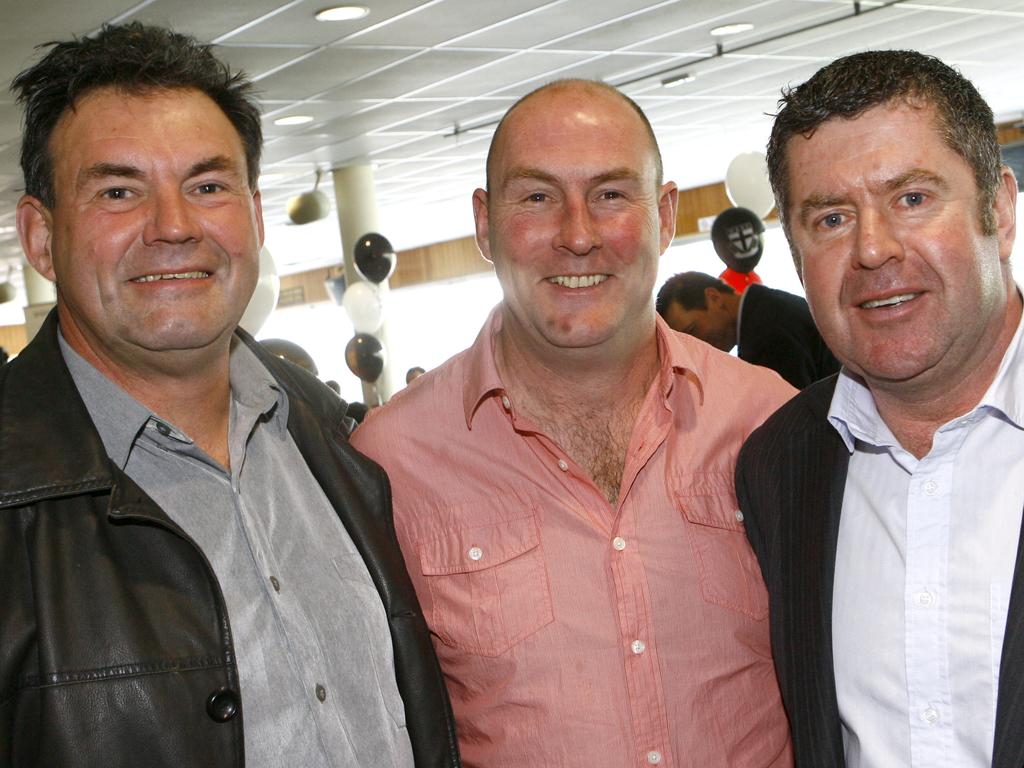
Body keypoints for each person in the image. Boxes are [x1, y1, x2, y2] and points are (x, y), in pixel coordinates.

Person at [0, 23, 458, 767]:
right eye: (119, 191)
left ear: (252, 213)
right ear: (41, 236)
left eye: (207, 186)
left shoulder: (344, 444)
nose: (175, 227)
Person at [352, 79, 796, 767]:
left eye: (612, 194)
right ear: (484, 221)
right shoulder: (390, 461)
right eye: (536, 197)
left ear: (665, 213)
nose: (578, 235)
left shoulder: (769, 420)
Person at [735, 50, 1020, 768]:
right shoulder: (779, 466)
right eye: (831, 218)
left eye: (913, 199)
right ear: (797, 258)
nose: (873, 249)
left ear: (1001, 209)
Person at [656, 271, 839, 388]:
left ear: (714, 298)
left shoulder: (765, 330)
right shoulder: (766, 308)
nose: (695, 345)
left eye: (693, 330)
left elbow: (788, 421)